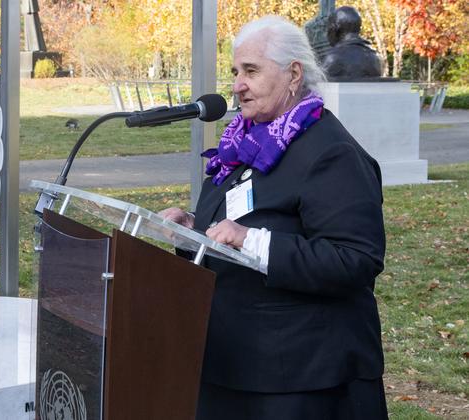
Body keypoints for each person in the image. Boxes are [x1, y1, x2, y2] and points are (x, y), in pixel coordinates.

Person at [159, 16, 387, 419]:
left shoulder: (331, 153)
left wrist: (253, 241)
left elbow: (355, 259)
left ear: (293, 74)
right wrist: (194, 232)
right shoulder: (243, 144)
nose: (236, 85)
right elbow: (237, 222)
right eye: (234, 71)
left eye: (250, 71)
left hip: (300, 381)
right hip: (231, 363)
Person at [322, 6, 382, 79]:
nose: (327, 31)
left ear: (336, 28)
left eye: (329, 27)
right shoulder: (374, 58)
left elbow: (321, 87)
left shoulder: (333, 58)